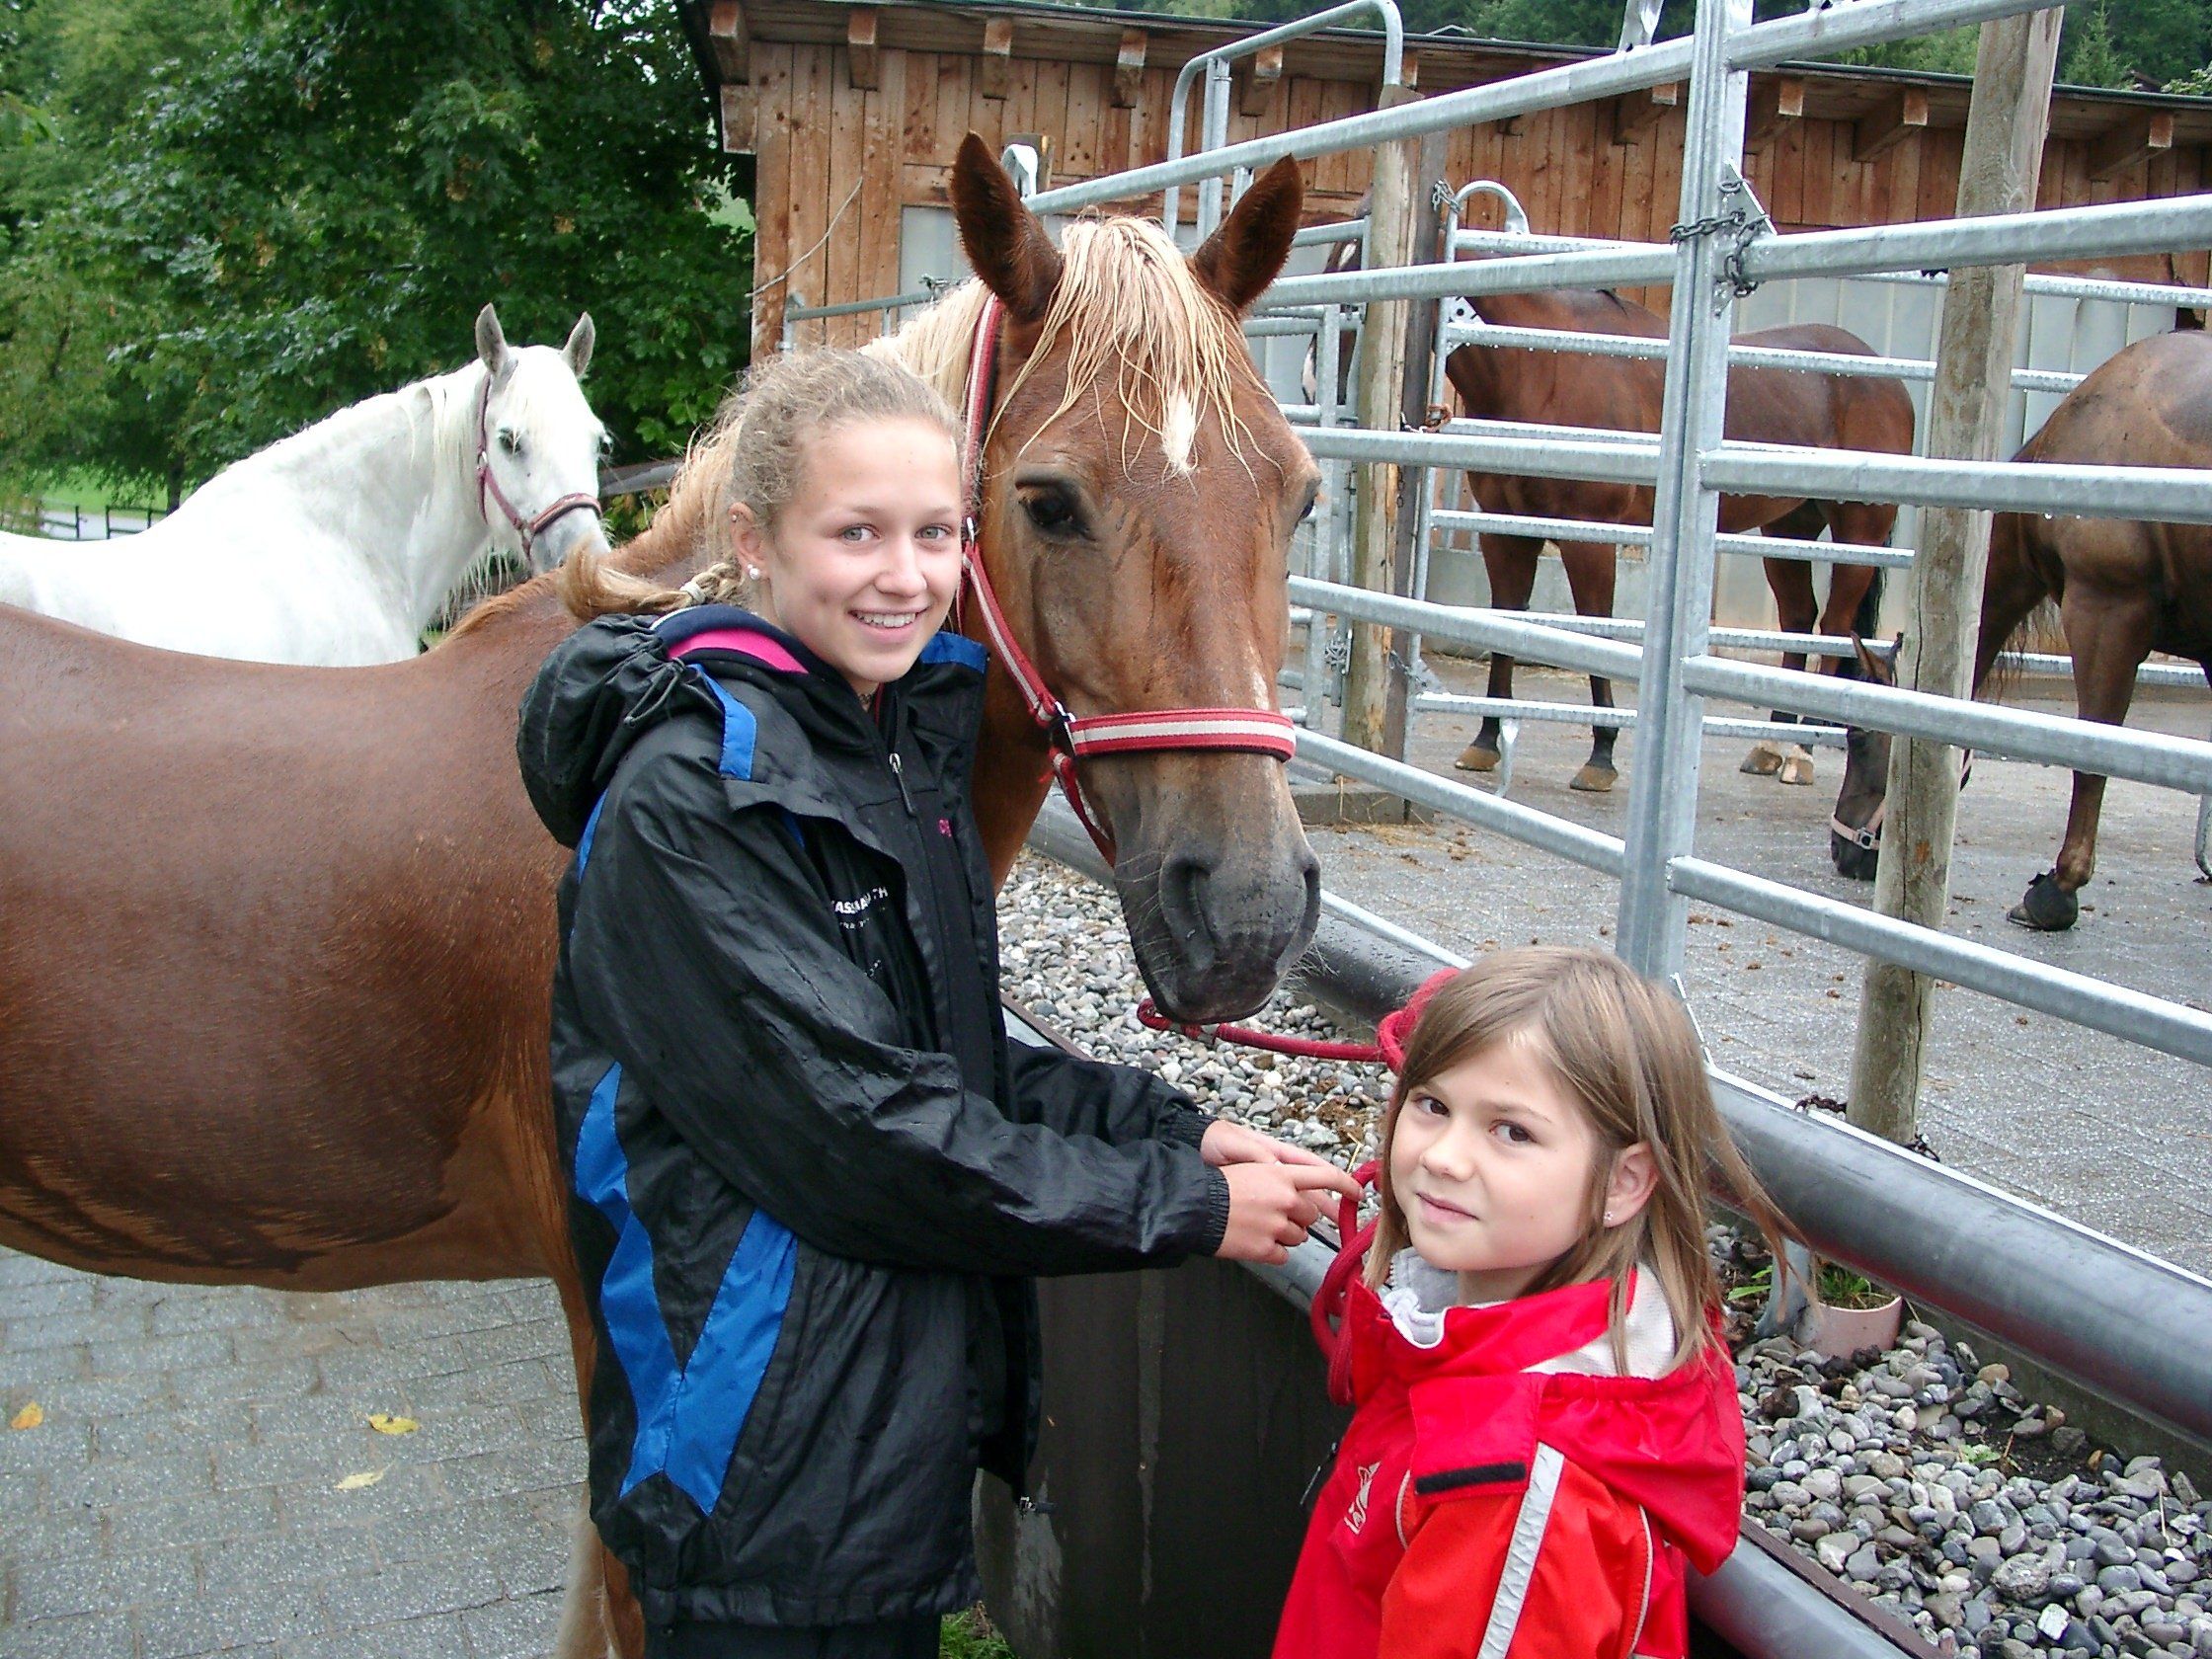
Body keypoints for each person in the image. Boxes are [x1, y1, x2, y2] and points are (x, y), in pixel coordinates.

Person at [515, 348, 1357, 1659]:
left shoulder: (885, 751)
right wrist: (1185, 1209)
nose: (906, 575)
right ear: (752, 541)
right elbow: (865, 1134)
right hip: (758, 1484)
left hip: (864, 1457)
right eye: (856, 533)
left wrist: (1173, 1132)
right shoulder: (690, 806)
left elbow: (948, 1055)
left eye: (936, 533)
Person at [1274, 948, 1792, 1659]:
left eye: (1511, 1131)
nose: (1444, 1157)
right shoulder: (1461, 1341)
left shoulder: (1513, 1489)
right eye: (1432, 1105)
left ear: (1622, 1182)